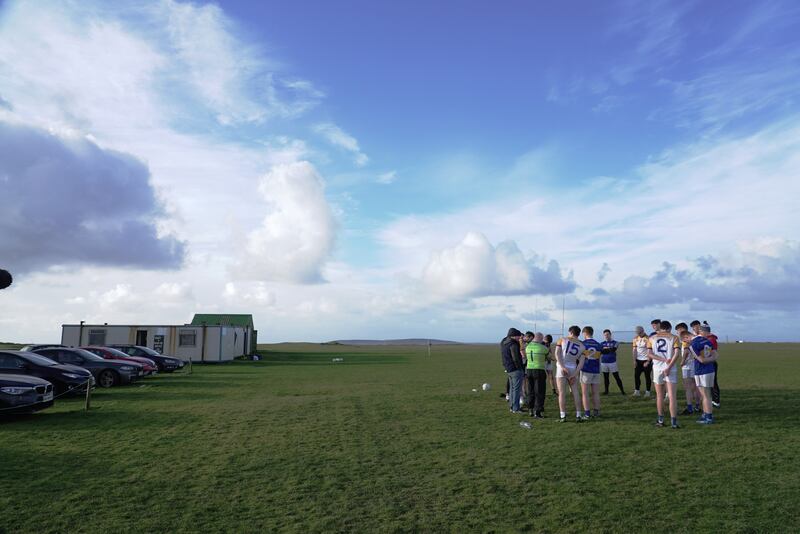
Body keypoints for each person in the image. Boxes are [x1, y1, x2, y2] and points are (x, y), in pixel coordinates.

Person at [647, 320, 681, 428]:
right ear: (669, 328)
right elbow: (677, 354)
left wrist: (661, 359)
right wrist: (669, 365)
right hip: (670, 369)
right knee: (672, 396)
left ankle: (661, 420)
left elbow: (649, 354)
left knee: (659, 396)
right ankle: (674, 423)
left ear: (660, 327)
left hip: (657, 368)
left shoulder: (651, 338)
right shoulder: (674, 337)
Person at [680, 329, 718, 424]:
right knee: (707, 394)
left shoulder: (693, 344)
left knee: (705, 395)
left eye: (685, 341)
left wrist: (705, 360)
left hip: (701, 371)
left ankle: (708, 417)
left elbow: (701, 360)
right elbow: (715, 354)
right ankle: (705, 414)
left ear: (686, 337)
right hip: (710, 370)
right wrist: (712, 359)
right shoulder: (706, 340)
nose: (686, 343)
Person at [555, 325, 586, 423]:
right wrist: (575, 373)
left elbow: (557, 354)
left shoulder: (562, 339)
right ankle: (578, 415)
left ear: (570, 332)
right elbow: (581, 362)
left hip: (562, 367)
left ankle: (563, 416)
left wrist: (563, 367)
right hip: (573, 368)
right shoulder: (582, 345)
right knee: (576, 392)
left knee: (562, 393)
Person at [675, 322, 700, 415]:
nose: (678, 333)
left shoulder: (685, 339)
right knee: (696, 386)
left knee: (688, 387)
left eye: (678, 330)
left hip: (687, 365)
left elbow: (686, 350)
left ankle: (690, 408)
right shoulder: (694, 337)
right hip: (696, 364)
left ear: (683, 330)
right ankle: (697, 406)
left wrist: (682, 361)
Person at [525, 332, 549, 418]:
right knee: (539, 392)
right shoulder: (543, 348)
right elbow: (549, 357)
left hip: (529, 370)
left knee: (530, 391)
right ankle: (537, 412)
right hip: (539, 370)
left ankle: (530, 409)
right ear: (540, 339)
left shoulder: (527, 347)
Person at [500, 328, 525, 413]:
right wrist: (520, 368)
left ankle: (512, 406)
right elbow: (516, 358)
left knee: (512, 389)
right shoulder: (513, 344)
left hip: (508, 368)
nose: (519, 338)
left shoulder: (504, 342)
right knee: (516, 390)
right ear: (514, 336)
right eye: (518, 336)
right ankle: (516, 408)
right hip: (515, 369)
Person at [580, 326, 603, 419]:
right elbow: (599, 358)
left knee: (585, 393)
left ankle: (587, 414)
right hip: (596, 370)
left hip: (586, 370)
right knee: (595, 393)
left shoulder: (583, 344)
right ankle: (596, 412)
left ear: (585, 333)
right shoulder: (598, 344)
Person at [600, 329, 625, 395]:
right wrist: (606, 349)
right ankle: (606, 391)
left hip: (612, 362)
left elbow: (613, 350)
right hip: (604, 362)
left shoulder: (615, 342)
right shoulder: (601, 343)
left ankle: (622, 391)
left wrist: (605, 349)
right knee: (606, 378)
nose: (606, 336)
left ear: (610, 335)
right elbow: (601, 351)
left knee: (617, 377)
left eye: (608, 334)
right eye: (605, 335)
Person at [703, 322, 721, 408]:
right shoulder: (709, 339)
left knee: (713, 382)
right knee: (710, 382)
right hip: (708, 362)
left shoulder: (711, 340)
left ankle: (716, 401)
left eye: (702, 331)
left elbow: (710, 352)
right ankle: (712, 399)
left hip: (711, 362)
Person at [631, 326, 652, 397]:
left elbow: (650, 351)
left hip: (646, 360)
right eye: (637, 333)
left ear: (643, 331)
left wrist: (648, 361)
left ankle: (648, 392)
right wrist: (634, 360)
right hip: (638, 361)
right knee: (636, 376)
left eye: (640, 333)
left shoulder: (648, 338)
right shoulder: (635, 338)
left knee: (647, 376)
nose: (638, 334)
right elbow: (634, 350)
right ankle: (637, 391)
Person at [520, 332, 534, 410]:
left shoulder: (527, 344)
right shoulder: (521, 345)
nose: (523, 339)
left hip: (527, 365)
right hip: (522, 365)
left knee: (526, 380)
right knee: (522, 381)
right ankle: (522, 397)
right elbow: (522, 354)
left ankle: (525, 395)